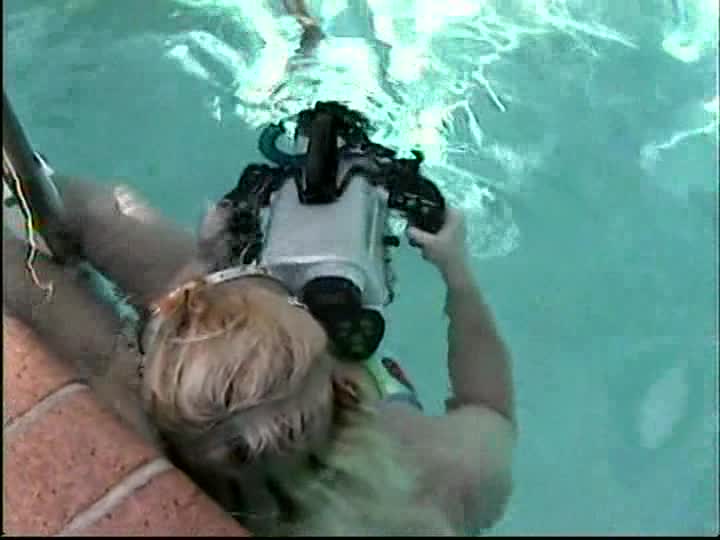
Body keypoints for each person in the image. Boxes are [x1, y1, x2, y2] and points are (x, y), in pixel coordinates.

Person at [3, 163, 516, 535]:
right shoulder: (439, 477)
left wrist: (202, 267)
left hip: (165, 408)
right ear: (348, 388)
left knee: (97, 233)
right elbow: (489, 404)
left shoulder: (154, 457)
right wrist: (458, 273)